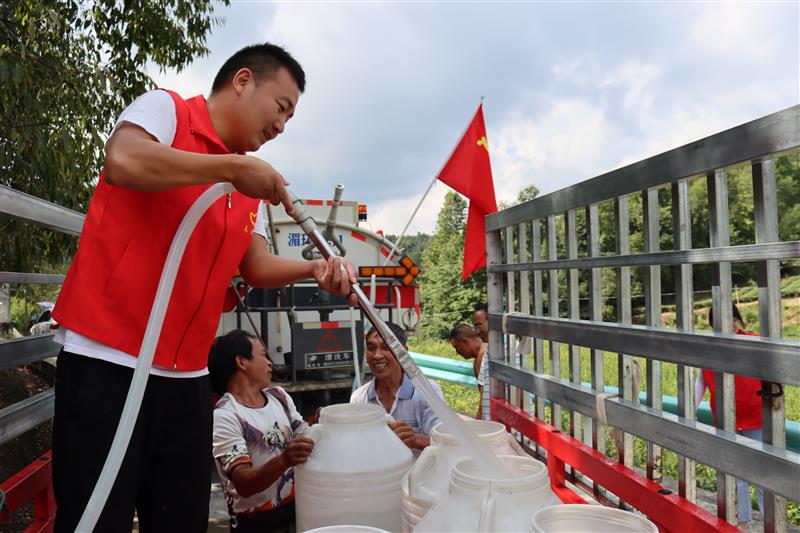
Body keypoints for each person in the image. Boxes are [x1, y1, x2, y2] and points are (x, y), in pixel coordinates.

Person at [50, 43, 357, 532]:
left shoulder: (244, 185)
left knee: (180, 517)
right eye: (280, 108)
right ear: (241, 81)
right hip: (110, 361)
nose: (281, 126)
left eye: (290, 119)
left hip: (186, 377)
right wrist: (230, 169)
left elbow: (253, 265)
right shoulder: (167, 112)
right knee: (96, 516)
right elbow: (123, 160)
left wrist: (314, 269)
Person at [209, 330, 312, 533]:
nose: (270, 362)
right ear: (241, 362)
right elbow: (244, 484)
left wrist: (318, 425)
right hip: (256, 525)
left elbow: (304, 434)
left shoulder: (279, 396)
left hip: (296, 512)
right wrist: (284, 460)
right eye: (263, 354)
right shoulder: (225, 415)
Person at [695, 304, 764, 525]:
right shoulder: (707, 350)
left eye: (733, 319)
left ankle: (771, 523)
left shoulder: (754, 342)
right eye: (722, 321)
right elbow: (701, 382)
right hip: (727, 421)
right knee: (735, 477)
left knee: (765, 476)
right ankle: (742, 523)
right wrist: (689, 410)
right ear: (713, 325)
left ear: (738, 320)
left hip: (758, 420)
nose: (730, 325)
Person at [351, 322, 443, 454]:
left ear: (403, 352)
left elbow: (445, 442)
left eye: (386, 347)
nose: (377, 355)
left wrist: (416, 440)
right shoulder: (359, 397)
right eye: (371, 348)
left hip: (418, 472)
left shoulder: (427, 392)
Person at [449, 323, 489, 419]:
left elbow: (485, 398)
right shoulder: (478, 358)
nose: (457, 352)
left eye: (456, 347)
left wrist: (478, 423)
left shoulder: (483, 354)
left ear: (465, 342)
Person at [472, 305, 491, 420]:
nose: (477, 332)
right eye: (475, 327)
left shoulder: (509, 349)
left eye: (479, 325)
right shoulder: (488, 350)